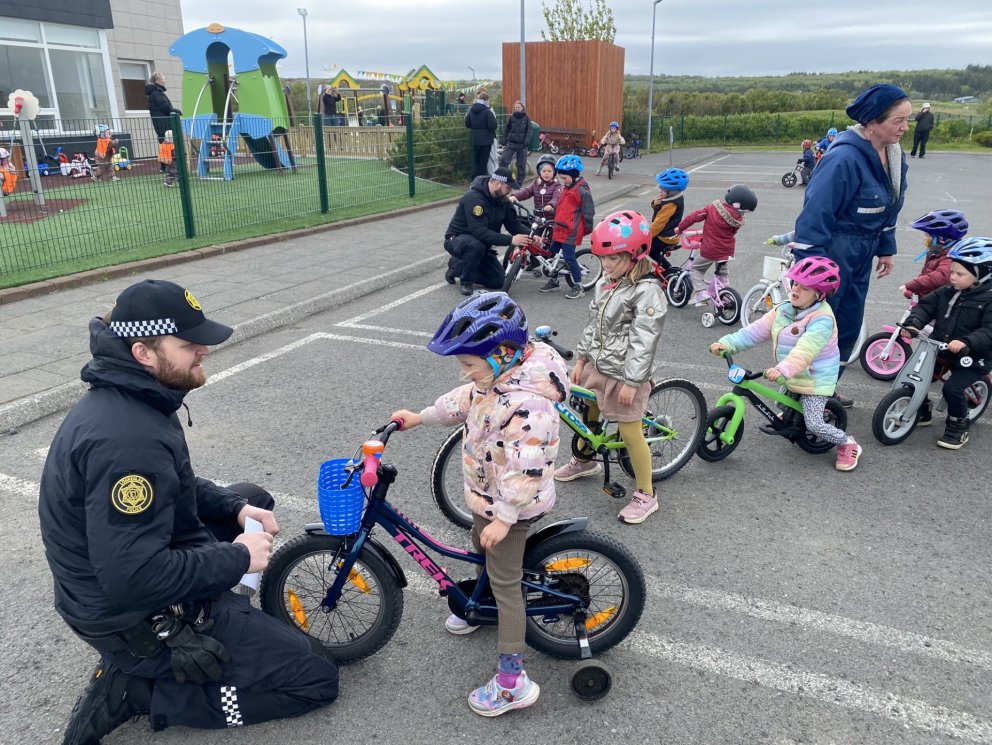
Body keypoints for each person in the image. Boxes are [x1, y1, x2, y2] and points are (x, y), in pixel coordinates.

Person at [38, 280, 339, 744]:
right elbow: (133, 578)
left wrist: (236, 508)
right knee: (315, 678)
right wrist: (237, 558)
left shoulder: (136, 396)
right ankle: (139, 691)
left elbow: (175, 484)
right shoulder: (128, 440)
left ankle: (226, 613)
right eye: (188, 345)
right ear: (143, 352)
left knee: (252, 496)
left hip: (110, 579)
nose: (203, 351)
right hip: (127, 616)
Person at [390, 292, 569, 717]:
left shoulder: (530, 406)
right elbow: (466, 398)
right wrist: (422, 416)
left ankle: (512, 683)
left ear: (503, 355)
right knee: (479, 547)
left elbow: (528, 469)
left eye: (469, 363)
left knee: (506, 581)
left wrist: (506, 519)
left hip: (514, 506)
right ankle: (480, 605)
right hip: (487, 495)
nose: (465, 372)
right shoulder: (495, 381)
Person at [792, 83, 911, 408]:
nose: (905, 127)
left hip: (861, 255)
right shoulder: (843, 159)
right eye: (898, 120)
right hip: (832, 254)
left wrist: (885, 246)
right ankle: (800, 393)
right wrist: (810, 272)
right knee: (819, 327)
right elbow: (814, 217)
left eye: (908, 119)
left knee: (847, 326)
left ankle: (825, 388)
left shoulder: (894, 157)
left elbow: (890, 205)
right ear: (872, 122)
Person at [555, 211, 668, 522]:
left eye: (613, 258)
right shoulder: (607, 283)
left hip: (627, 374)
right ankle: (585, 459)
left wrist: (633, 382)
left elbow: (644, 342)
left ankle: (646, 493)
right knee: (586, 411)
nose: (605, 266)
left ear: (636, 255)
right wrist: (581, 358)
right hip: (599, 366)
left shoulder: (648, 292)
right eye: (602, 258)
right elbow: (594, 325)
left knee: (631, 432)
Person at [709, 257, 863, 471]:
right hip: (794, 374)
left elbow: (804, 352)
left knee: (814, 424)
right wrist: (727, 343)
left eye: (805, 288)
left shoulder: (822, 320)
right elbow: (754, 332)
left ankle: (847, 443)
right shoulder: (783, 309)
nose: (796, 290)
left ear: (820, 294)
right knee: (781, 403)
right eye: (795, 283)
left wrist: (783, 369)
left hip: (815, 378)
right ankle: (796, 414)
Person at [902, 237, 992, 448]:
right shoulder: (948, 292)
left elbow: (989, 331)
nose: (952, 277)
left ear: (982, 275)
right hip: (941, 348)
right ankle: (922, 411)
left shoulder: (988, 300)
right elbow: (925, 306)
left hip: (974, 356)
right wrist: (913, 324)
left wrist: (966, 341)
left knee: (952, 389)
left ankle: (958, 427)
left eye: (959, 274)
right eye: (952, 271)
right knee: (916, 374)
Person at [444, 167, 534, 295]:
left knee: (498, 281)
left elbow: (513, 225)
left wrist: (532, 235)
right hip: (458, 240)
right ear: (498, 184)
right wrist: (511, 240)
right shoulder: (474, 198)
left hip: (482, 245)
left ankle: (457, 267)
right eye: (508, 188)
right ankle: (466, 281)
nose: (509, 192)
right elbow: (479, 232)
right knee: (475, 246)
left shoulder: (503, 200)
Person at [678, 184, 758, 305]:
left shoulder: (712, 208)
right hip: (727, 251)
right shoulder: (738, 219)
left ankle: (700, 292)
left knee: (696, 268)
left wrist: (680, 228)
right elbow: (732, 232)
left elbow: (693, 217)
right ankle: (723, 290)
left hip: (710, 249)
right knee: (722, 271)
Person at [539, 154, 595, 300]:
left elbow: (589, 211)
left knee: (569, 257)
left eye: (564, 178)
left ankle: (578, 286)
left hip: (571, 231)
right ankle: (554, 280)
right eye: (560, 178)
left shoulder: (582, 190)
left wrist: (587, 228)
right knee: (552, 254)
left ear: (574, 175)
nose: (562, 181)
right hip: (559, 228)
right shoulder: (566, 187)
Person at [901, 209, 969, 299]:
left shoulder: (950, 257)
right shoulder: (936, 251)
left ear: (941, 238)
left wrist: (912, 285)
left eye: (928, 236)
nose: (925, 238)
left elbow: (941, 276)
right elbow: (926, 274)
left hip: (940, 303)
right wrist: (916, 290)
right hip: (929, 299)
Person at [649, 168, 689, 272]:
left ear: (671, 192)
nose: (659, 191)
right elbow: (660, 212)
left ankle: (669, 270)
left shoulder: (670, 205)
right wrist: (656, 204)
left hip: (665, 237)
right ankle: (665, 270)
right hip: (668, 235)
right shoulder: (674, 198)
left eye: (662, 189)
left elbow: (659, 223)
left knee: (648, 250)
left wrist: (646, 236)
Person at [465, 89, 497, 179]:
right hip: (486, 140)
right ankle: (481, 179)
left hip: (475, 139)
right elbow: (493, 125)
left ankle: (474, 178)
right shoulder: (487, 111)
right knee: (484, 161)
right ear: (486, 100)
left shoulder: (471, 110)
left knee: (476, 160)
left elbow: (467, 123)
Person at [499, 100, 532, 184]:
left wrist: (527, 141)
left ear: (522, 108)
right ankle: (503, 178)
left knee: (521, 164)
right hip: (511, 143)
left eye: (518, 107)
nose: (517, 109)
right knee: (504, 159)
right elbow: (507, 129)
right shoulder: (512, 117)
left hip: (522, 144)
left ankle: (519, 182)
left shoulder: (527, 118)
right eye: (516, 107)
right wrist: (504, 139)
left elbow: (529, 130)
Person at [146, 72, 181, 146]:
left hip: (160, 125)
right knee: (170, 147)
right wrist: (177, 112)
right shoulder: (157, 93)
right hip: (164, 125)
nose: (164, 81)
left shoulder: (154, 93)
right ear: (157, 81)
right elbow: (166, 107)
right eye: (163, 79)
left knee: (167, 147)